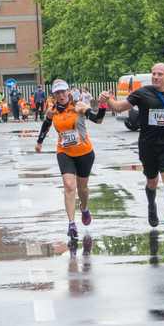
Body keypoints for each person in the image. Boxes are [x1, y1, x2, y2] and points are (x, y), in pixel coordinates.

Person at [100, 63, 164, 233]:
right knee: (152, 181)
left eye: (160, 74)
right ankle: (152, 206)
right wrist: (108, 99)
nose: (156, 77)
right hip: (148, 145)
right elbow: (119, 107)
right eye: (154, 74)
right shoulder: (142, 93)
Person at [35, 79, 106, 239]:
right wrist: (39, 142)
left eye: (63, 91)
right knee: (68, 186)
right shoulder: (52, 111)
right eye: (57, 93)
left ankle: (85, 208)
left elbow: (98, 119)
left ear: (68, 92)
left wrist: (102, 104)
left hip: (85, 152)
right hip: (64, 152)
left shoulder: (79, 106)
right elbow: (46, 125)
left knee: (83, 189)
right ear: (53, 95)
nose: (60, 95)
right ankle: (71, 224)